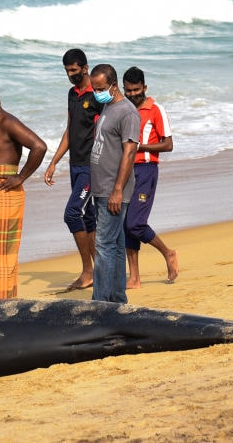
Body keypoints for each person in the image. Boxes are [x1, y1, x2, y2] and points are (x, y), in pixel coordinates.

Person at [0, 83, 47, 299]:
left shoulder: (7, 122)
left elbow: (39, 146)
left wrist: (21, 177)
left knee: (0, 253)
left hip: (1, 194)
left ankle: (1, 302)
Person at [43, 48, 103, 291]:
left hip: (91, 166)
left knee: (72, 213)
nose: (70, 75)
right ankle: (100, 270)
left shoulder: (97, 96)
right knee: (88, 219)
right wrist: (54, 160)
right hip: (74, 165)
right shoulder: (72, 94)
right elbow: (70, 130)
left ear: (85, 68)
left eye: (74, 71)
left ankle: (88, 271)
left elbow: (106, 131)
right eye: (67, 71)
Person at [122, 66, 179, 288]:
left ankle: (168, 252)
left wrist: (139, 147)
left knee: (135, 224)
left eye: (136, 90)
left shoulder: (156, 109)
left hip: (146, 170)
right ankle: (134, 278)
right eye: (128, 90)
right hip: (125, 170)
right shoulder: (123, 109)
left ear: (144, 87)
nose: (133, 94)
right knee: (126, 225)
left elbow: (168, 144)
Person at [88, 65, 139, 303]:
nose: (97, 93)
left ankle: (101, 302)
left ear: (113, 85)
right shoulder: (109, 106)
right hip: (103, 187)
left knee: (103, 245)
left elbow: (130, 152)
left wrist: (117, 190)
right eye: (95, 88)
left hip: (113, 189)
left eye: (100, 88)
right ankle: (117, 299)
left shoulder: (127, 113)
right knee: (116, 245)